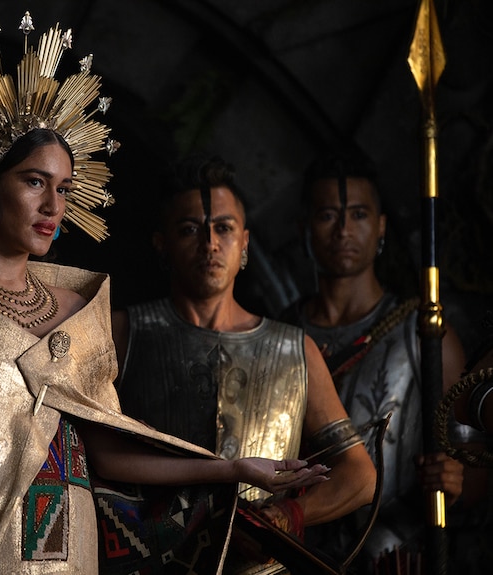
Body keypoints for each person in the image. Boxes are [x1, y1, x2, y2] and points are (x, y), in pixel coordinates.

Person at [0, 16, 330, 575]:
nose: (54, 206)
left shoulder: (77, 313)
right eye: (34, 182)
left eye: (64, 188)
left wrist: (234, 470)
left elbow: (109, 452)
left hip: (70, 544)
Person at [111, 153, 377, 574]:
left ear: (245, 243)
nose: (210, 243)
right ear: (161, 243)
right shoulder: (122, 334)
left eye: (223, 228)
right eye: (189, 229)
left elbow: (360, 475)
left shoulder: (295, 349)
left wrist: (287, 518)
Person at [279, 151, 479, 574]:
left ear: (381, 226)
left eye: (359, 214)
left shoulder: (423, 331)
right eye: (328, 215)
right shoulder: (276, 335)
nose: (344, 230)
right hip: (292, 550)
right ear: (303, 229)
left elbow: (473, 456)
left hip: (394, 556)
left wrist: (456, 478)